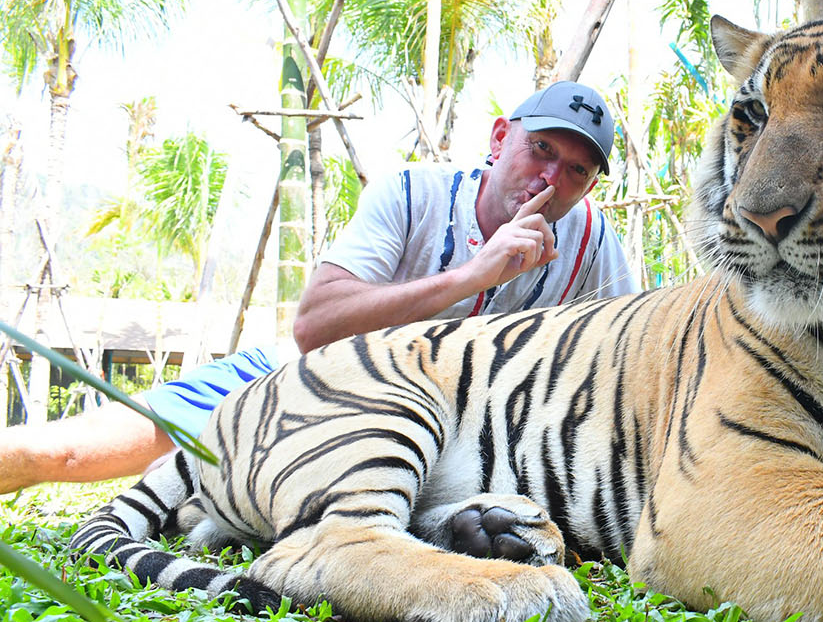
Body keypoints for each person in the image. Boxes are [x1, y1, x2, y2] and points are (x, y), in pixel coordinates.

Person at [0, 81, 639, 493]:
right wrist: (470, 277)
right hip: (303, 382)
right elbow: (314, 325)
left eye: (576, 170)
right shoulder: (413, 193)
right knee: (60, 456)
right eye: (539, 150)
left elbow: (621, 368)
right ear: (500, 138)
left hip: (445, 440)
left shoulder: (593, 245)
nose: (550, 178)